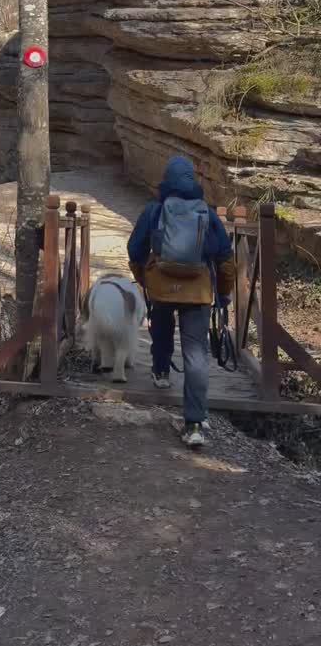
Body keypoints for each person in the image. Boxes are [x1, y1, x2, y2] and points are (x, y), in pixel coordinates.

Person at [127, 155, 235, 449]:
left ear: (166, 180)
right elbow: (225, 259)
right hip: (198, 293)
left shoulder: (154, 211)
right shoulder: (207, 213)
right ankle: (195, 423)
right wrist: (224, 294)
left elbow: (134, 250)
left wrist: (144, 279)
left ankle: (161, 371)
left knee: (161, 330)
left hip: (161, 287)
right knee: (196, 355)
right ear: (193, 181)